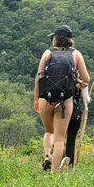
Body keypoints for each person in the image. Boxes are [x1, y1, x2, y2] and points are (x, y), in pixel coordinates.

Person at [34, 25, 90, 172]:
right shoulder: (76, 54)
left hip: (45, 99)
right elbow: (86, 79)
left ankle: (47, 154)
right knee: (59, 138)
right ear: (70, 39)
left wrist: (36, 99)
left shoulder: (47, 53)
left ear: (56, 39)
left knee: (49, 132)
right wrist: (77, 84)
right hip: (65, 101)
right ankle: (53, 172)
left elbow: (38, 78)